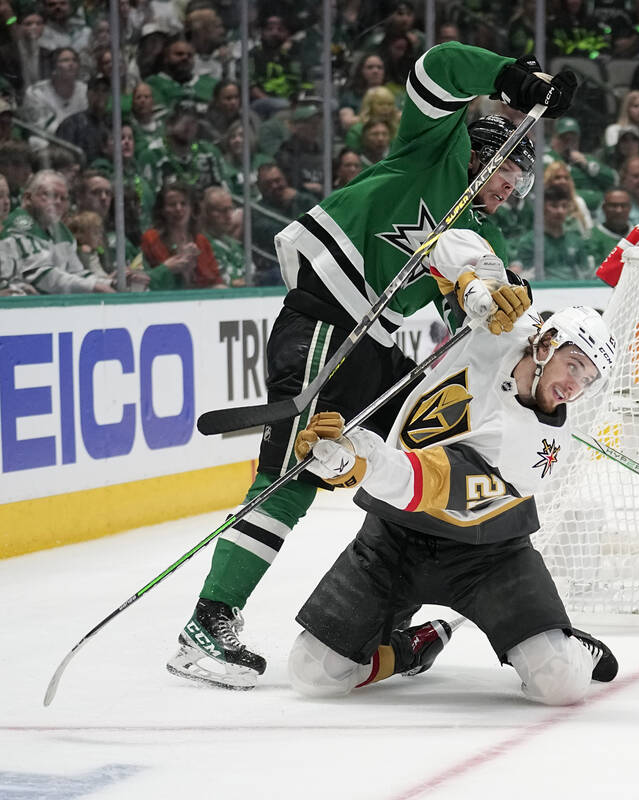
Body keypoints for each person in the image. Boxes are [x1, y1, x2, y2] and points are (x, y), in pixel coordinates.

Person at [167, 42, 577, 690]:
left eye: (520, 186)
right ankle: (208, 620)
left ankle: (391, 610)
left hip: (376, 348)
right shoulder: (432, 151)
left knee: (420, 455)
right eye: (509, 175)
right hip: (327, 322)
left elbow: (480, 296)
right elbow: (435, 68)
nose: (510, 192)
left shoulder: (482, 233)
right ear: (488, 152)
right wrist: (509, 79)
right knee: (290, 478)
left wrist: (503, 307)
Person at [287, 306, 620, 705]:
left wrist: (358, 458)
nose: (574, 386)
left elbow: (428, 481)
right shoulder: (505, 324)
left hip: (489, 556)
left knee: (560, 683)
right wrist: (473, 281)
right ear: (547, 343)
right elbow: (448, 249)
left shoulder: (536, 449)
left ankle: (568, 645)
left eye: (587, 380)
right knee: (313, 672)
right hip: (395, 539)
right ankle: (413, 647)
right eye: (574, 365)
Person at [2, 169, 120, 293]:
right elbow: (41, 277)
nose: (58, 202)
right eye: (50, 195)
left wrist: (112, 283)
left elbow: (77, 273)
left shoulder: (61, 231)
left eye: (63, 198)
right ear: (27, 198)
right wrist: (92, 287)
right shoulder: (18, 225)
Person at [139, 182, 224, 290]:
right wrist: (167, 269)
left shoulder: (201, 241)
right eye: (172, 204)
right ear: (162, 210)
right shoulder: (150, 239)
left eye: (183, 204)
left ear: (192, 208)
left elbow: (215, 280)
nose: (179, 209)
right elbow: (140, 281)